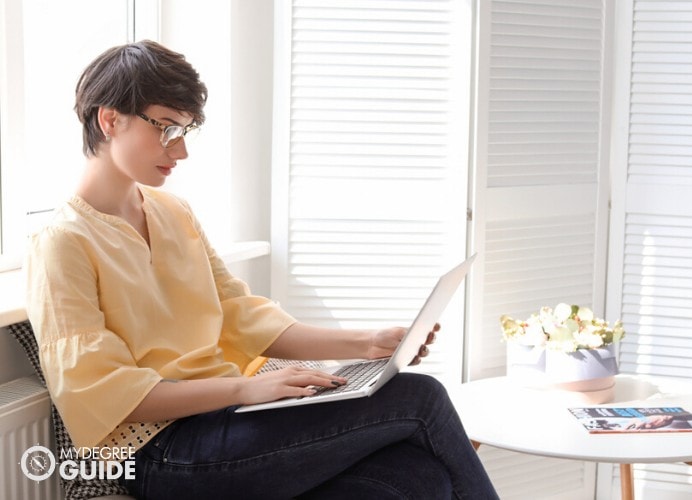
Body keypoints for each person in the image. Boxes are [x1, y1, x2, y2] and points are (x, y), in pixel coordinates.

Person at [24, 40, 498, 499]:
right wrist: (247, 388)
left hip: (228, 424)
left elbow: (242, 316)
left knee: (417, 477)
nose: (180, 150)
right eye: (166, 127)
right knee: (422, 398)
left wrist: (366, 343)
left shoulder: (175, 212)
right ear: (110, 119)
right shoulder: (63, 242)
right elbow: (103, 391)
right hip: (159, 453)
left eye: (185, 132)